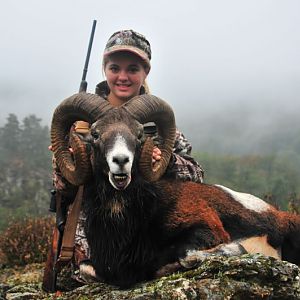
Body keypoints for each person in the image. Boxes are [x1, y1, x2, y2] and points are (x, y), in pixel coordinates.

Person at [51, 29, 204, 282]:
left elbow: (197, 176)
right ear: (105, 70)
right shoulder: (79, 126)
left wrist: (165, 161)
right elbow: (62, 189)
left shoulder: (159, 126)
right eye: (115, 68)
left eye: (133, 69)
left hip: (149, 244)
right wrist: (66, 163)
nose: (123, 76)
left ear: (145, 73)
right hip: (90, 249)